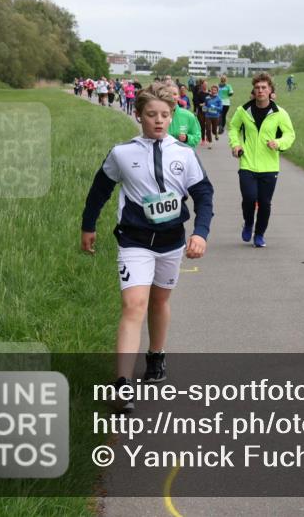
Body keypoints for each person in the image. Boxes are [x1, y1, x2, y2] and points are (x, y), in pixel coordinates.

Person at [80, 81, 214, 412]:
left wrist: (200, 232)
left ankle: (156, 354)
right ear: (138, 115)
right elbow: (100, 190)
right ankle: (122, 385)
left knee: (159, 301)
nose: (158, 120)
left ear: (172, 117)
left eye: (165, 115)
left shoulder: (184, 154)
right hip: (134, 240)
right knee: (134, 305)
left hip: (171, 241)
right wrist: (88, 226)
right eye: (151, 114)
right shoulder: (122, 153)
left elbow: (203, 195)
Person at [227, 72, 295, 248]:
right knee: (249, 198)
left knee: (265, 203)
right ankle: (248, 223)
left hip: (269, 166)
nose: (260, 90)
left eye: (264, 87)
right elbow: (233, 128)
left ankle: (259, 234)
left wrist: (278, 143)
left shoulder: (279, 113)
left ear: (270, 90)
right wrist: (236, 145)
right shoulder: (243, 111)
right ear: (254, 90)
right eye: (257, 87)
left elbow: (290, 134)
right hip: (247, 164)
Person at [166, 82, 202, 148]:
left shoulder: (189, 116)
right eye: (168, 94)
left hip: (183, 156)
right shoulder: (157, 117)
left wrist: (187, 138)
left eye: (174, 94)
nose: (172, 97)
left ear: (178, 96)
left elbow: (197, 137)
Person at [203, 85, 223, 149]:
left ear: (217, 91)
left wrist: (215, 107)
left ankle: (216, 133)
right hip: (208, 115)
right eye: (212, 90)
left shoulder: (219, 99)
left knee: (213, 131)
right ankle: (210, 143)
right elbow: (205, 105)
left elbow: (220, 108)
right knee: (208, 129)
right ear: (210, 90)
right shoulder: (207, 98)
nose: (213, 91)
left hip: (215, 116)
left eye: (215, 90)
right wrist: (204, 108)